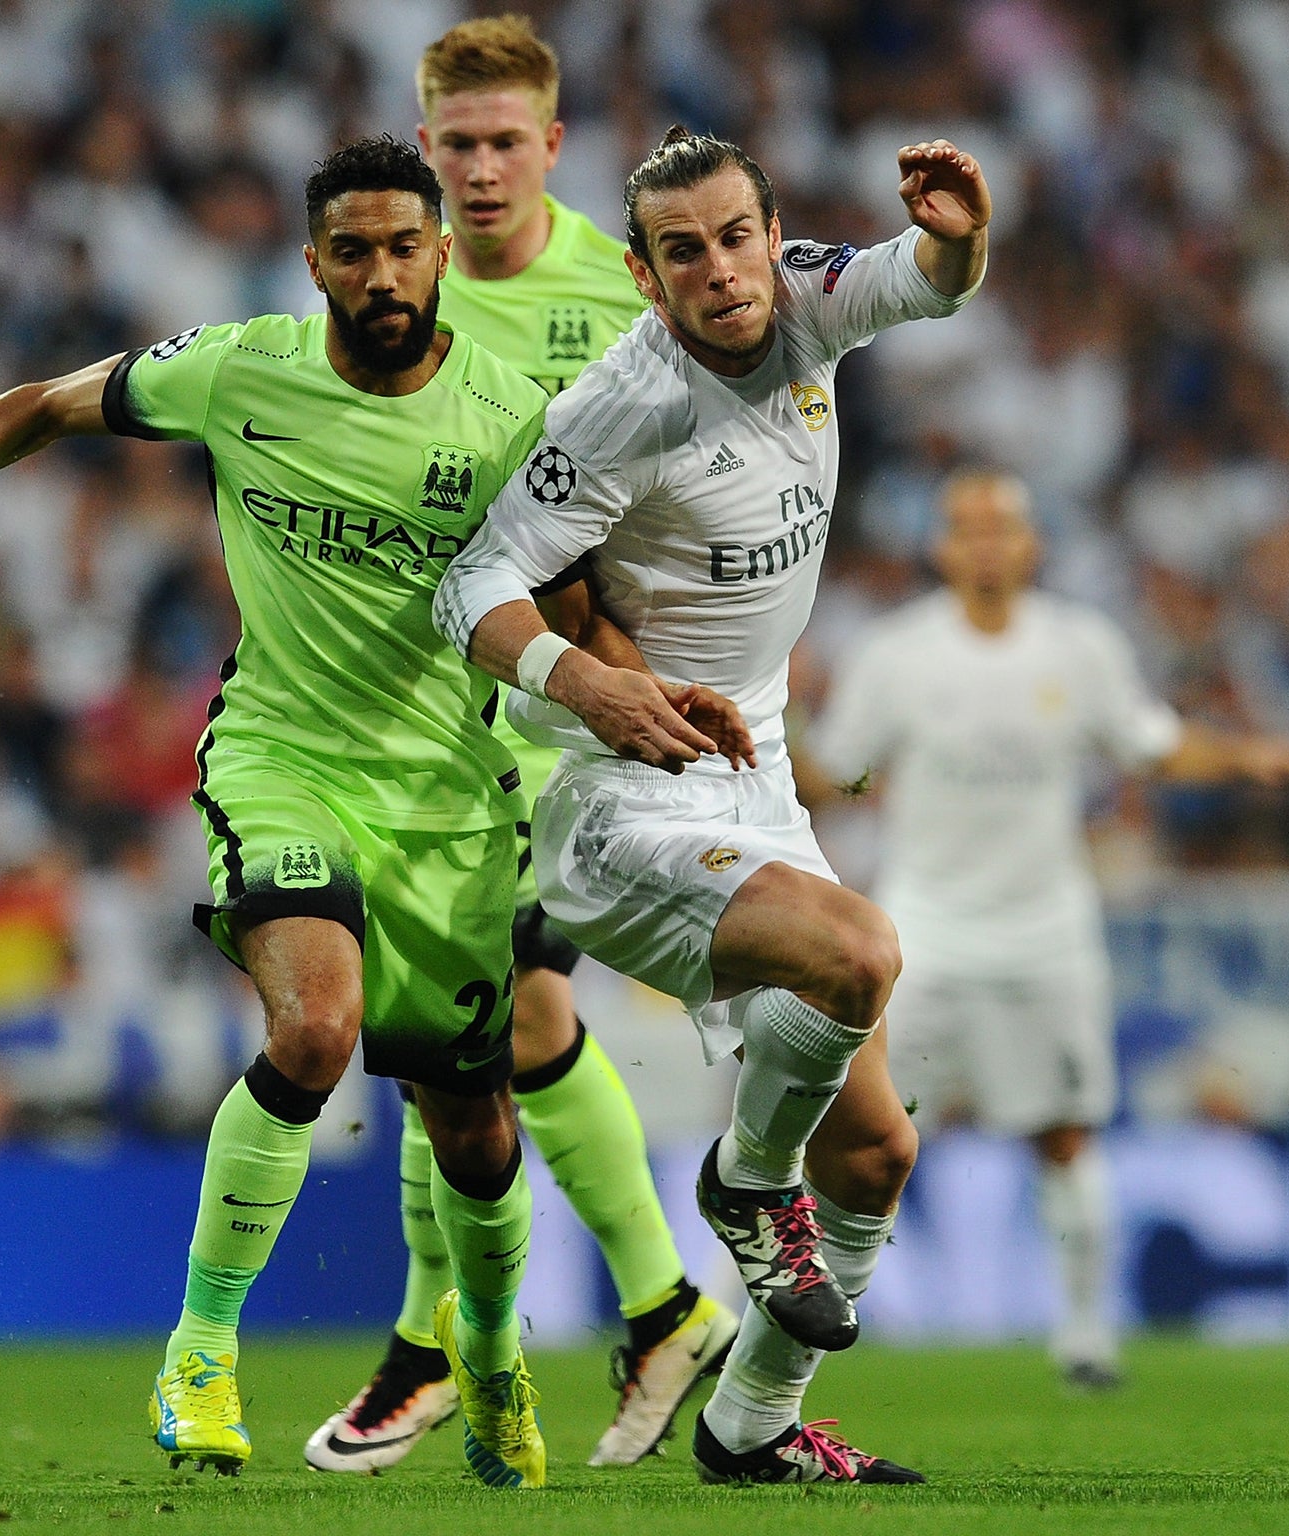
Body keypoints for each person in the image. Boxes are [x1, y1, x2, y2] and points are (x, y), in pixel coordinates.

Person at [0, 138, 558, 1489]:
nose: (381, 273)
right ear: (315, 263)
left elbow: (581, 605)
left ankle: (489, 1354)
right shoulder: (241, 368)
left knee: (474, 1123)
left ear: (443, 252)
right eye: (353, 251)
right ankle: (200, 1349)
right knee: (315, 1026)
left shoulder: (517, 417)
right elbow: (37, 404)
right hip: (280, 758)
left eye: (403, 246)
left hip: (447, 794)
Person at [434, 127, 990, 1485]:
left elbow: (929, 283)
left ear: (770, 233)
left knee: (874, 1154)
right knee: (858, 951)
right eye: (682, 251)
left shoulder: (803, 302)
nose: (721, 269)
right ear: (644, 273)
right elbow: (473, 588)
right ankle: (746, 1186)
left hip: (752, 783)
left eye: (736, 236)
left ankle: (751, 1429)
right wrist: (599, 690)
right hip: (620, 795)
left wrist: (960, 235)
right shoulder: (621, 407)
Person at [306, 16, 731, 1477]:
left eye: (507, 144)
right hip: (420, 729)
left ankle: (515, 1329)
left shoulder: (620, 291)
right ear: (423, 149)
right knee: (458, 1055)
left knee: (509, 1029)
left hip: (566, 714)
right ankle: (543, 1325)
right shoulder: (379, 292)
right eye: (457, 145)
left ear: (555, 148)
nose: (481, 172)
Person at [806, 469, 1289, 1388]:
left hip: (1045, 932)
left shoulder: (1078, 647)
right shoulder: (896, 655)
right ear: (940, 548)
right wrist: (757, 716)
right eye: (965, 528)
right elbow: (836, 774)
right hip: (925, 932)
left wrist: (1251, 754)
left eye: (1001, 527)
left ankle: (1086, 1337)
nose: (984, 544)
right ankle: (779, 1320)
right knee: (853, 1130)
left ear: (1031, 544)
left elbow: (1154, 746)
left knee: (1065, 1135)